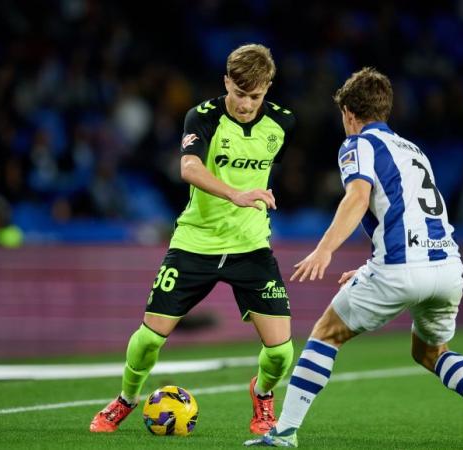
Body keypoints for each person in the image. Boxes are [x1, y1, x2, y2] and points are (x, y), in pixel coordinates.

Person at [244, 67, 463, 449]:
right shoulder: (413, 150)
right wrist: (367, 266)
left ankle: (285, 432)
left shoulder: (358, 144)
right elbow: (415, 215)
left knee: (326, 334)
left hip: (400, 269)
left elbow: (357, 198)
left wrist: (325, 248)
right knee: (430, 351)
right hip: (447, 268)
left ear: (349, 114)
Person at [91, 44, 296, 435]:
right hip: (194, 244)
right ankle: (126, 399)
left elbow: (268, 170)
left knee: (281, 353)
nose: (245, 105)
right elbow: (188, 168)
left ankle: (263, 395)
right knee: (148, 340)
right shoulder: (201, 117)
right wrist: (235, 194)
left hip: (250, 247)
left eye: (254, 96)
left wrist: (254, 198)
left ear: (267, 88)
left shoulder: (284, 123)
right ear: (226, 83)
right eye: (238, 94)